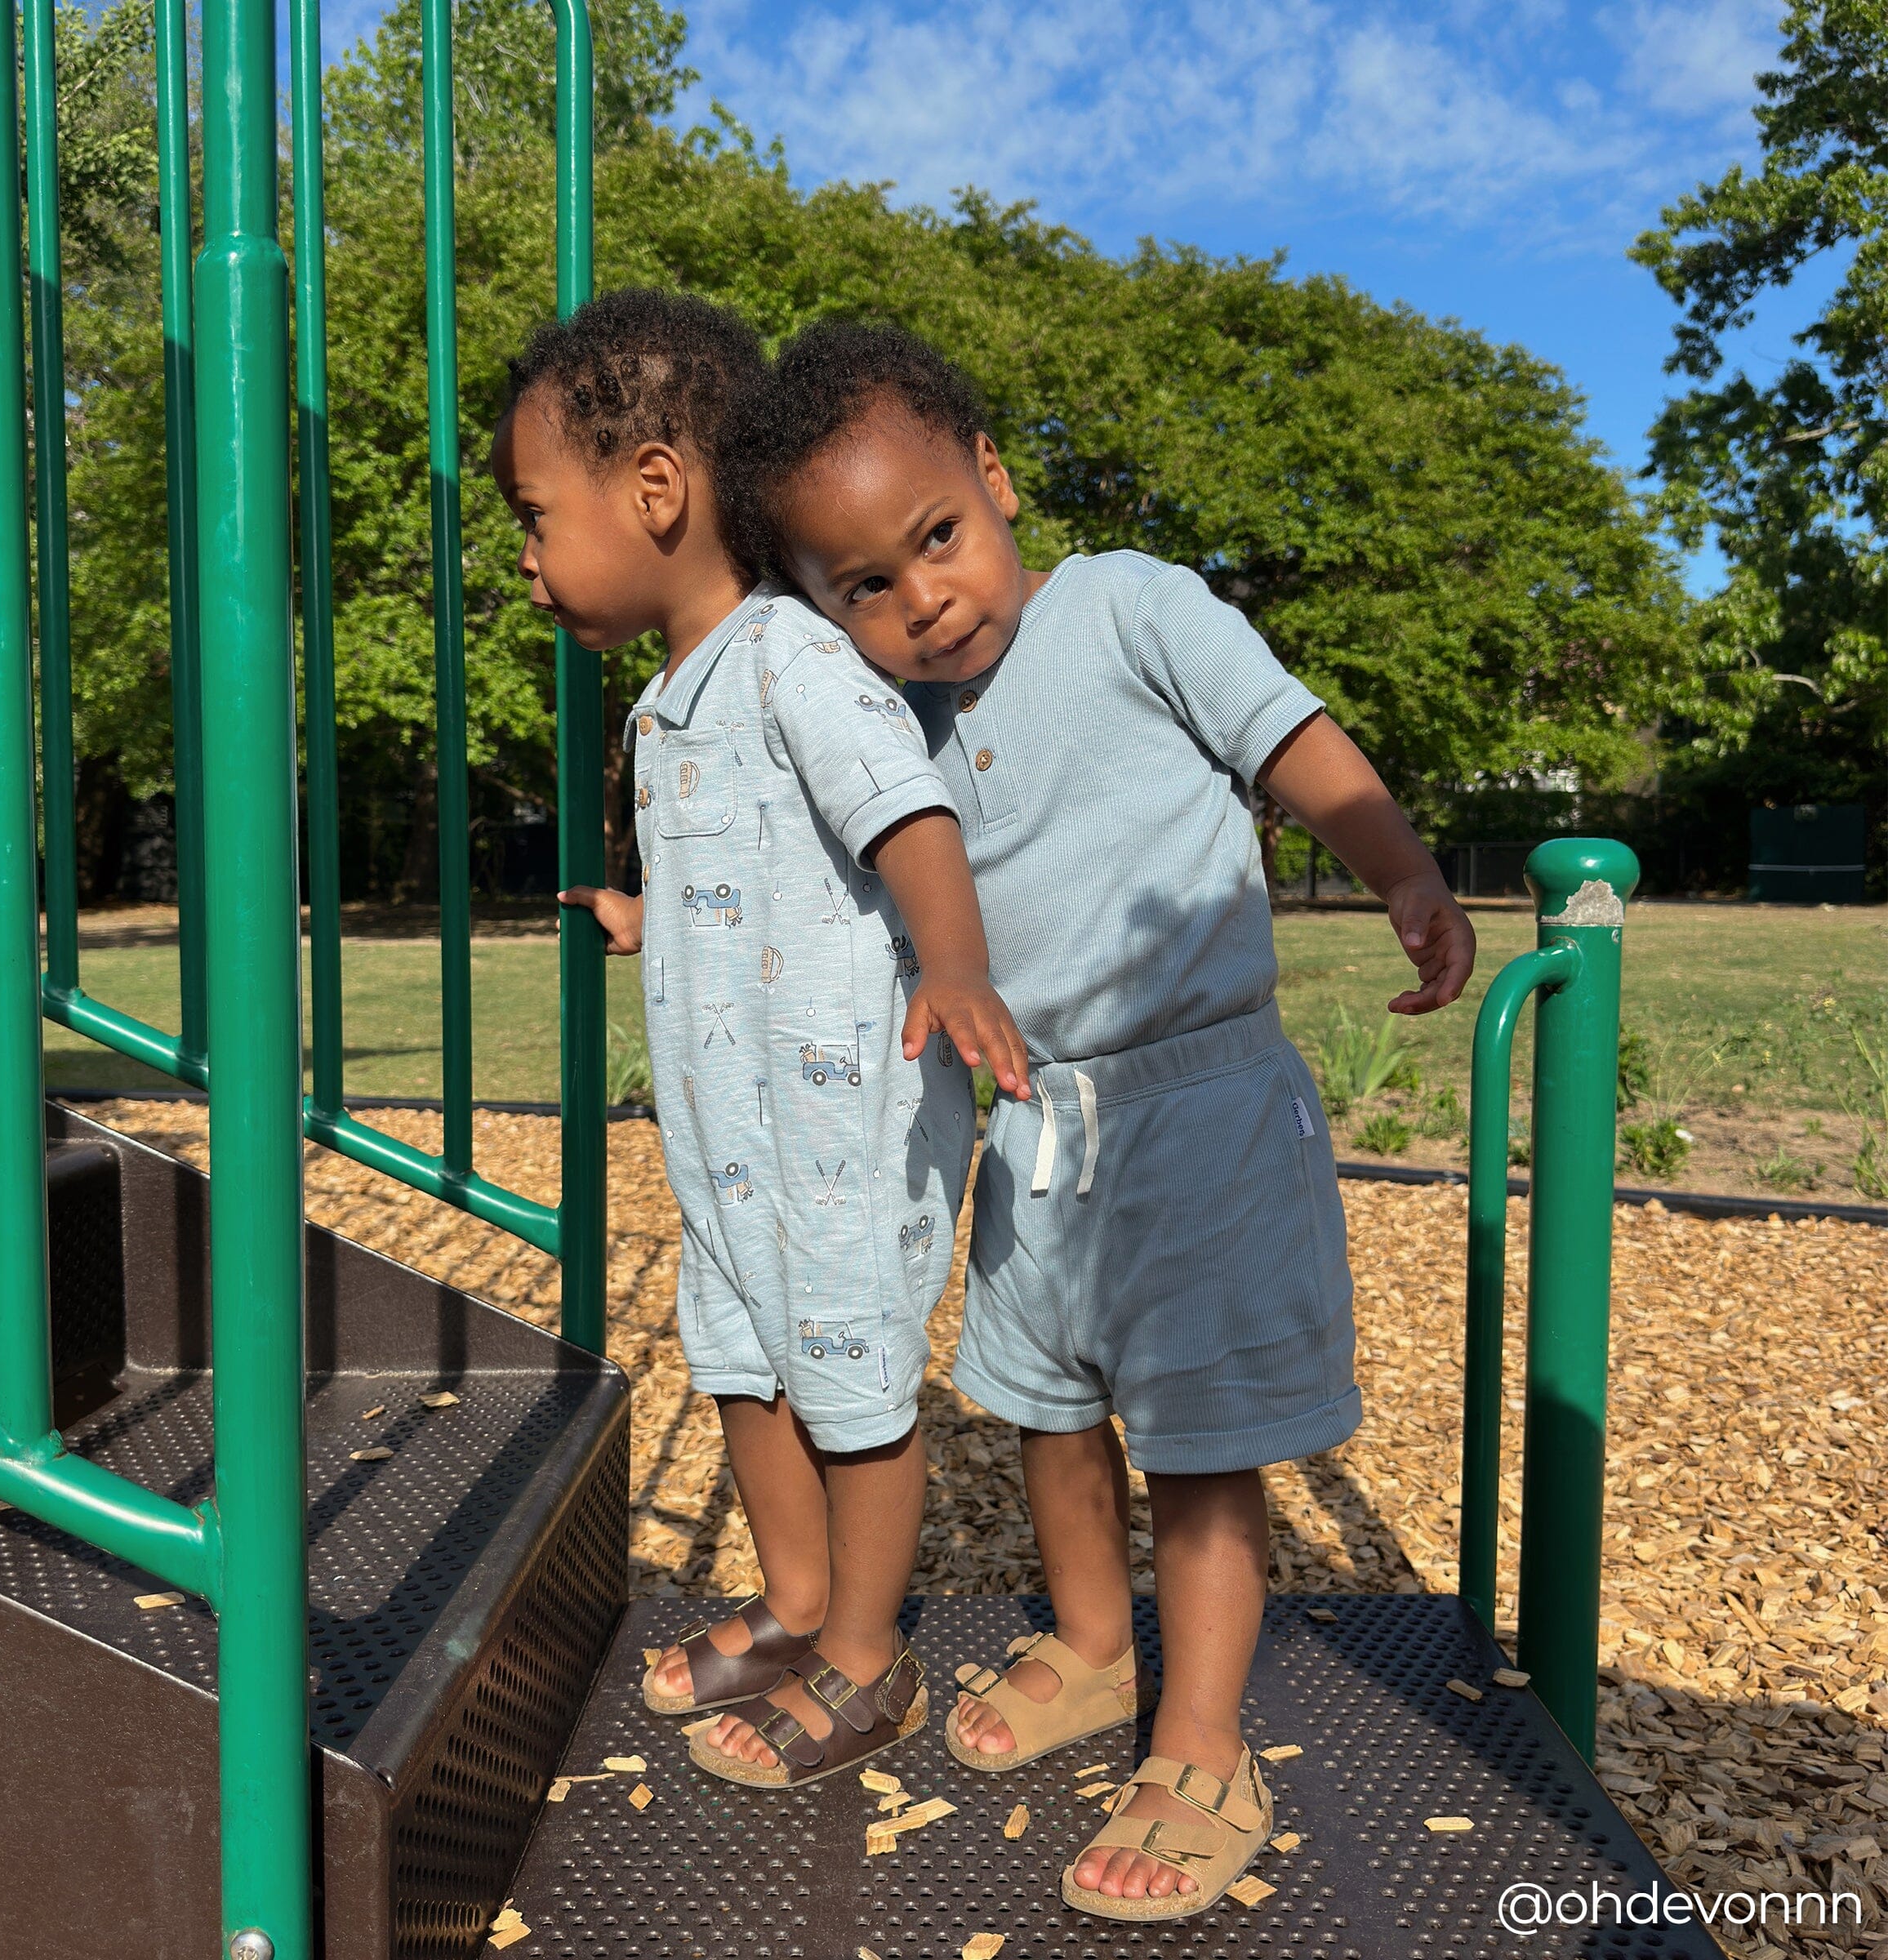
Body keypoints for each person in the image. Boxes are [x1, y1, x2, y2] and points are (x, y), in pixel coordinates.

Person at [719, 322, 1476, 1918]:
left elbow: (1291, 740)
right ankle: (1088, 1645)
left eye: (937, 537)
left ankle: (1202, 1739)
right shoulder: (890, 725)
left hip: (1198, 1092)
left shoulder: (1129, 605)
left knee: (1200, 1437)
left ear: (994, 481)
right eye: (864, 584)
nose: (920, 596)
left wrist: (1398, 865)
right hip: (1040, 1120)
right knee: (1047, 1406)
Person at [493, 292, 1030, 1788]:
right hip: (730, 1127)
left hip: (839, 1107)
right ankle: (799, 1605)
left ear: (655, 489)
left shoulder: (795, 654)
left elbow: (904, 818)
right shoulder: (674, 698)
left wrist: (965, 969)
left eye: (538, 518)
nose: (530, 561)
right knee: (742, 1357)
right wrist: (651, 918)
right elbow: (763, 870)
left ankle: (871, 1656)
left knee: (847, 1372)